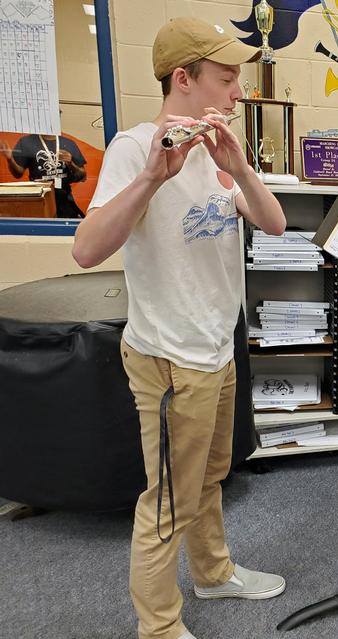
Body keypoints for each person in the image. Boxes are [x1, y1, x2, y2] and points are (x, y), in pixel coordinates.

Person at [72, 17, 287, 639]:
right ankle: (159, 627)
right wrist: (152, 178)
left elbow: (271, 225)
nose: (237, 92)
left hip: (219, 350)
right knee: (168, 501)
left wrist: (241, 171)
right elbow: (86, 250)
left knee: (212, 476)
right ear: (184, 79)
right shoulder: (134, 148)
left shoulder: (220, 151)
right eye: (227, 78)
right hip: (170, 359)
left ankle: (214, 573)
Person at [0, 131, 87, 217]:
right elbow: (17, 174)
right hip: (39, 199)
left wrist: (71, 163)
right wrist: (10, 159)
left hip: (64, 199)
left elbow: (82, 176)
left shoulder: (68, 143)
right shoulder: (27, 142)